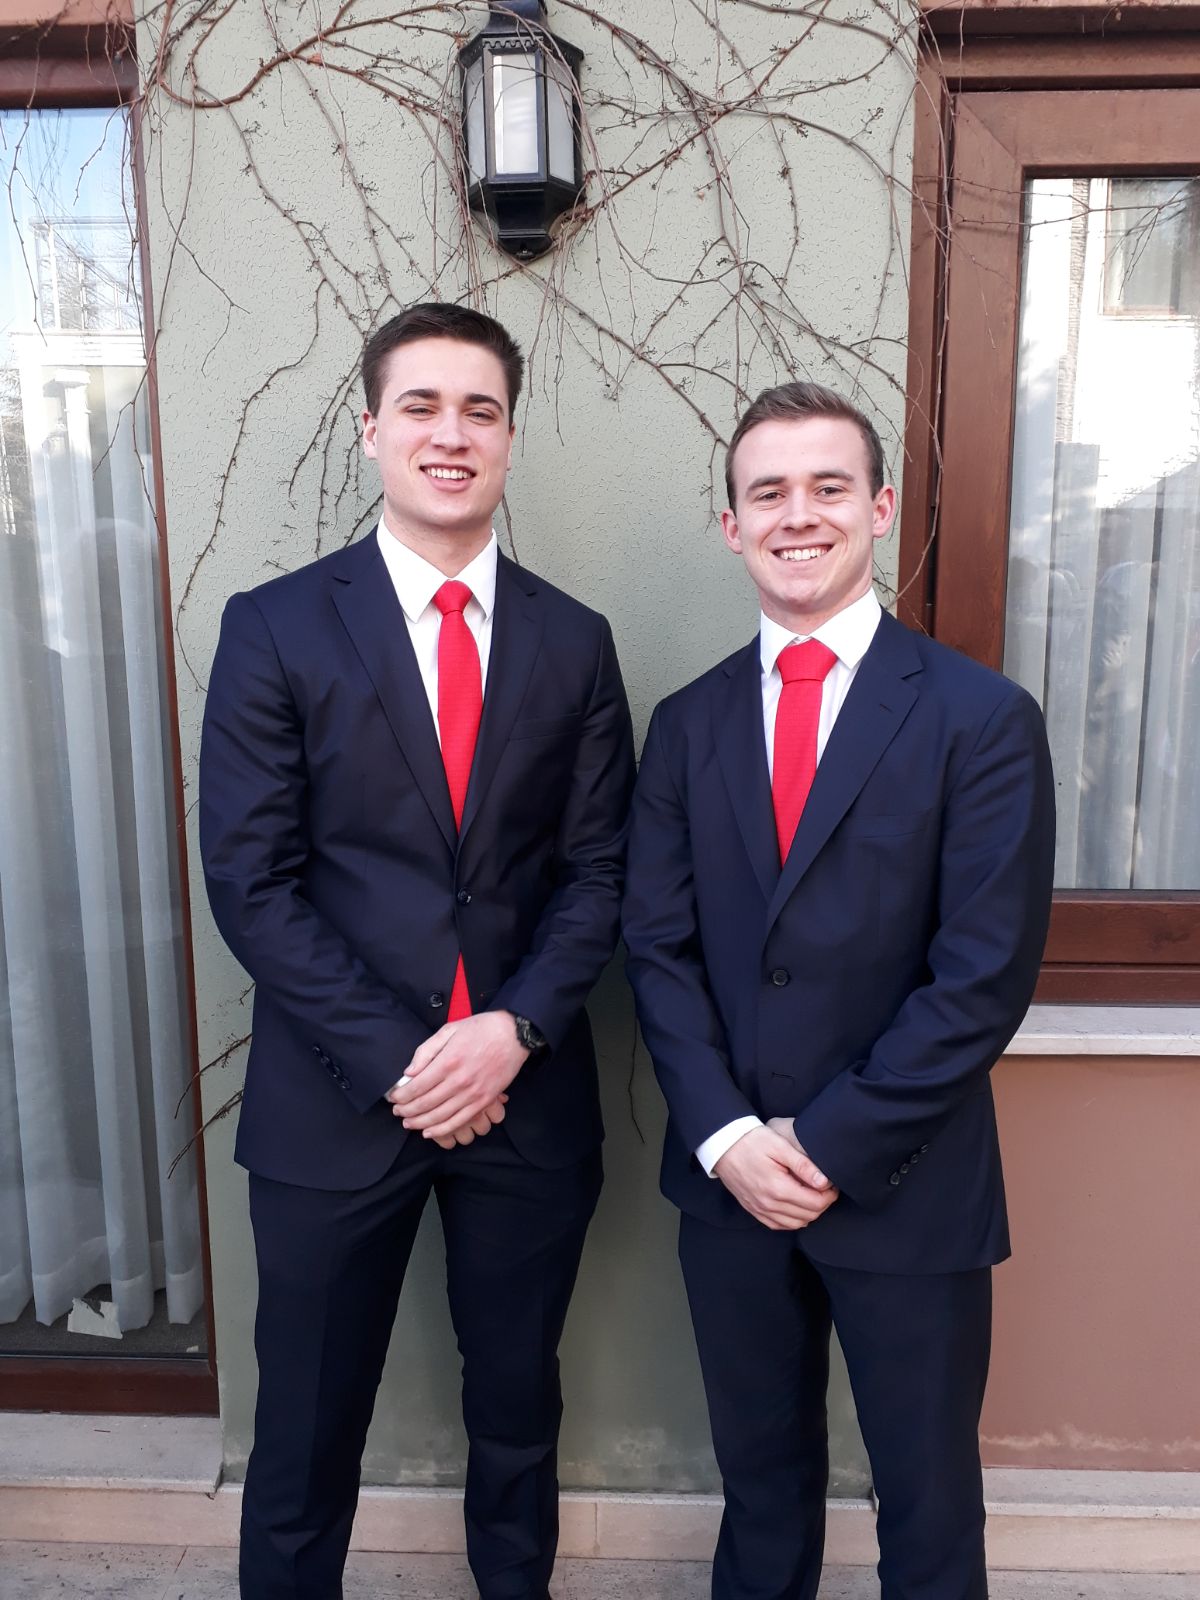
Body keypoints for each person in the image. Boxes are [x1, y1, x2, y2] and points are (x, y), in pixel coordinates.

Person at [200, 301, 635, 1600]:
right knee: (303, 1434)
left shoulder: (575, 640)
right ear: (371, 428)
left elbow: (600, 872)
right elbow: (252, 880)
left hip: (525, 1098)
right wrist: (408, 1057)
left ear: (508, 436)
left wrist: (511, 1032)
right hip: (335, 1103)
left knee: (518, 1416)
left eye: (480, 409)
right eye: (423, 406)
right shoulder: (276, 626)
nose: (453, 433)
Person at [621, 381, 1055, 1600]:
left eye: (827, 487)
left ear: (880, 508)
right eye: (768, 492)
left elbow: (982, 975)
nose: (797, 514)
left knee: (928, 1504)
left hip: (908, 1181)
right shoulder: (686, 725)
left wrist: (824, 1142)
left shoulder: (981, 719)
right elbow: (657, 949)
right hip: (732, 1188)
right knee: (759, 1495)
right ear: (732, 526)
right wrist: (728, 1138)